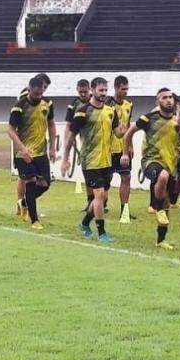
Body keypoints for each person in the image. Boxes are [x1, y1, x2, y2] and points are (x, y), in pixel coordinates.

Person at [122, 88, 180, 249]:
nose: (169, 100)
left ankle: (161, 240)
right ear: (158, 102)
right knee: (162, 177)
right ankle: (156, 206)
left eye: (170, 97)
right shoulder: (149, 118)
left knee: (167, 204)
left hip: (171, 164)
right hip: (151, 161)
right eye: (164, 98)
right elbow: (129, 133)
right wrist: (125, 153)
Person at [61, 77, 126, 242]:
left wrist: (122, 131)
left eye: (105, 90)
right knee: (99, 195)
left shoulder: (111, 111)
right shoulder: (83, 111)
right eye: (100, 90)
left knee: (102, 197)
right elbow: (71, 136)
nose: (104, 93)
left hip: (107, 160)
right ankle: (102, 233)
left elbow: (117, 133)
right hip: (90, 161)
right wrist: (65, 158)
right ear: (92, 89)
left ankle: (84, 223)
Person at [8, 76, 56, 229]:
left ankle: (23, 202)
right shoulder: (19, 106)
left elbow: (51, 124)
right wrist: (22, 148)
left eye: (41, 93)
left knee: (45, 184)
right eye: (35, 94)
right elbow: (10, 130)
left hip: (41, 152)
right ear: (29, 90)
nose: (38, 96)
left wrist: (53, 146)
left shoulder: (47, 103)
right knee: (31, 181)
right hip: (24, 153)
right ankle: (34, 220)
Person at [15, 73, 51, 216]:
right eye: (44, 87)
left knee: (31, 179)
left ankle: (24, 204)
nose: (44, 90)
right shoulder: (26, 96)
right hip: (23, 143)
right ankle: (23, 204)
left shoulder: (42, 100)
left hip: (37, 144)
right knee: (26, 178)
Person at [107, 75, 134, 219]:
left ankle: (125, 211)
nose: (126, 92)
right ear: (116, 88)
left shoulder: (129, 104)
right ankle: (100, 204)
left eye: (127, 89)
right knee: (106, 179)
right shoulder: (107, 104)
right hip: (108, 149)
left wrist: (131, 146)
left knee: (126, 177)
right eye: (123, 89)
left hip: (123, 149)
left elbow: (128, 127)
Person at [65, 79, 92, 211]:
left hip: (102, 143)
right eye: (80, 91)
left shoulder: (98, 101)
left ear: (90, 90)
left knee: (104, 176)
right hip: (85, 144)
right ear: (77, 90)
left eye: (85, 91)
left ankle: (101, 201)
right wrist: (67, 143)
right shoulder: (73, 105)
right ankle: (91, 201)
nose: (83, 94)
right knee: (87, 174)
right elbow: (69, 126)